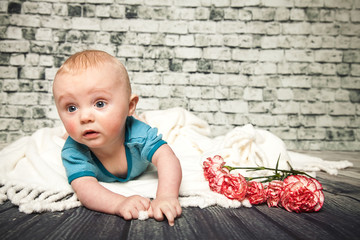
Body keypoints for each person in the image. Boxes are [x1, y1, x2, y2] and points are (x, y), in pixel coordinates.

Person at [52, 50, 182, 226]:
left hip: (131, 131)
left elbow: (167, 158)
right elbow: (85, 188)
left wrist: (166, 196)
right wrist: (119, 203)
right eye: (71, 108)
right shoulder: (74, 150)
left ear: (129, 106)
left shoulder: (138, 134)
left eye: (99, 104)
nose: (84, 117)